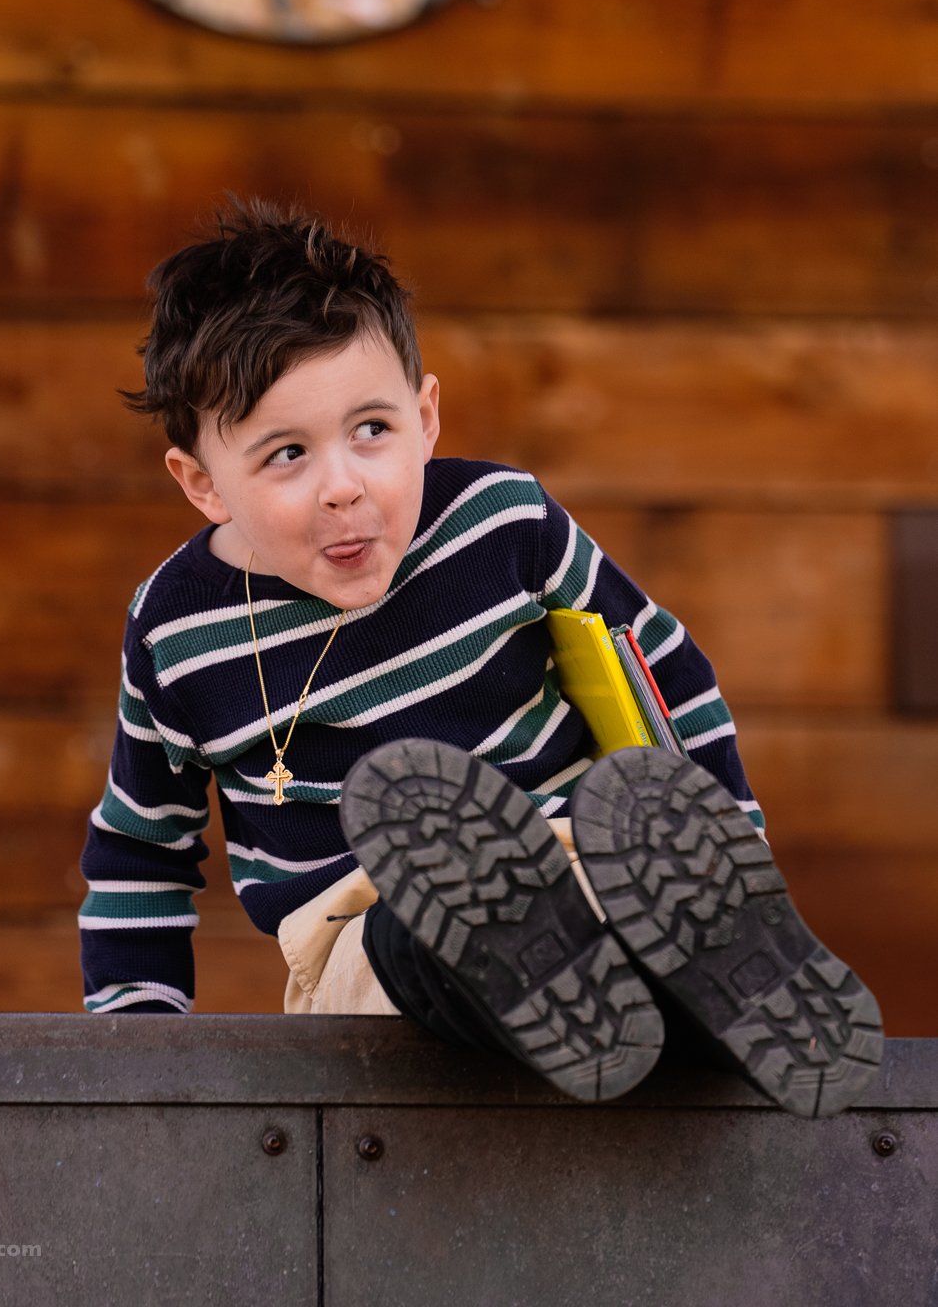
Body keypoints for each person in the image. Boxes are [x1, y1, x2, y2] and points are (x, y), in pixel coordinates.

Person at [78, 199, 881, 1116]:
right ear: (202, 484)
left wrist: (734, 847)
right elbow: (141, 848)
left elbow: (659, 665)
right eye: (287, 454)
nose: (344, 486)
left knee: (620, 902)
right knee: (409, 950)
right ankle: (559, 977)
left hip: (576, 855)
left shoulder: (501, 524)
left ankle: (727, 969)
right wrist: (135, 1045)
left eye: (370, 431)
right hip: (353, 935)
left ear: (425, 418)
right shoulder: (176, 629)